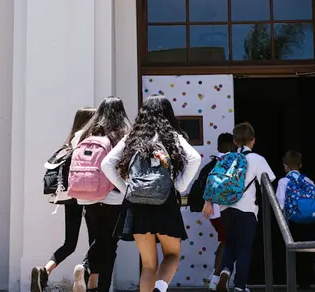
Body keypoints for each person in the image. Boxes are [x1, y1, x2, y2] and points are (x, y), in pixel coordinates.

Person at [101, 95, 202, 292]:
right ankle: (161, 288)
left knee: (148, 265)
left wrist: (126, 189)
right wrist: (179, 185)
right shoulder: (171, 135)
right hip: (165, 203)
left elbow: (106, 164)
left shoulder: (133, 136)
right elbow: (195, 158)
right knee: (172, 255)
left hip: (136, 204)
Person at [203, 122, 276, 292]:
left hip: (225, 209)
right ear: (253, 140)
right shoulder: (257, 159)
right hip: (247, 210)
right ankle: (239, 286)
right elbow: (268, 181)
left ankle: (226, 270)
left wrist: (208, 202)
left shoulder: (226, 159)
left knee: (229, 243)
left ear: (234, 142)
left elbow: (212, 180)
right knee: (244, 248)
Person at [31, 107, 96, 292]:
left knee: (69, 243)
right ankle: (89, 282)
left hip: (70, 197)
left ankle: (45, 271)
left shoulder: (69, 144)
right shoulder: (91, 145)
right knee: (96, 241)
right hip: (90, 196)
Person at [71, 97, 131, 292]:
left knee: (96, 241)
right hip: (113, 197)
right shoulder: (123, 134)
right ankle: (88, 271)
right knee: (109, 244)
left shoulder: (83, 134)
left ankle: (90, 283)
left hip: (87, 196)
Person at [275, 150, 315, 290]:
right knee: (310, 250)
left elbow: (280, 204)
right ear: (300, 165)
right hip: (311, 221)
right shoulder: (308, 181)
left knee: (295, 251)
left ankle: (301, 283)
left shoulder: (284, 181)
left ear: (285, 166)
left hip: (294, 222)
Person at [205, 133, 233, 291]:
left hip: (214, 212)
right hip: (226, 211)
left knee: (224, 241)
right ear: (232, 145)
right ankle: (217, 278)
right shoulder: (232, 162)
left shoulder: (213, 163)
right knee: (227, 242)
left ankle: (215, 278)